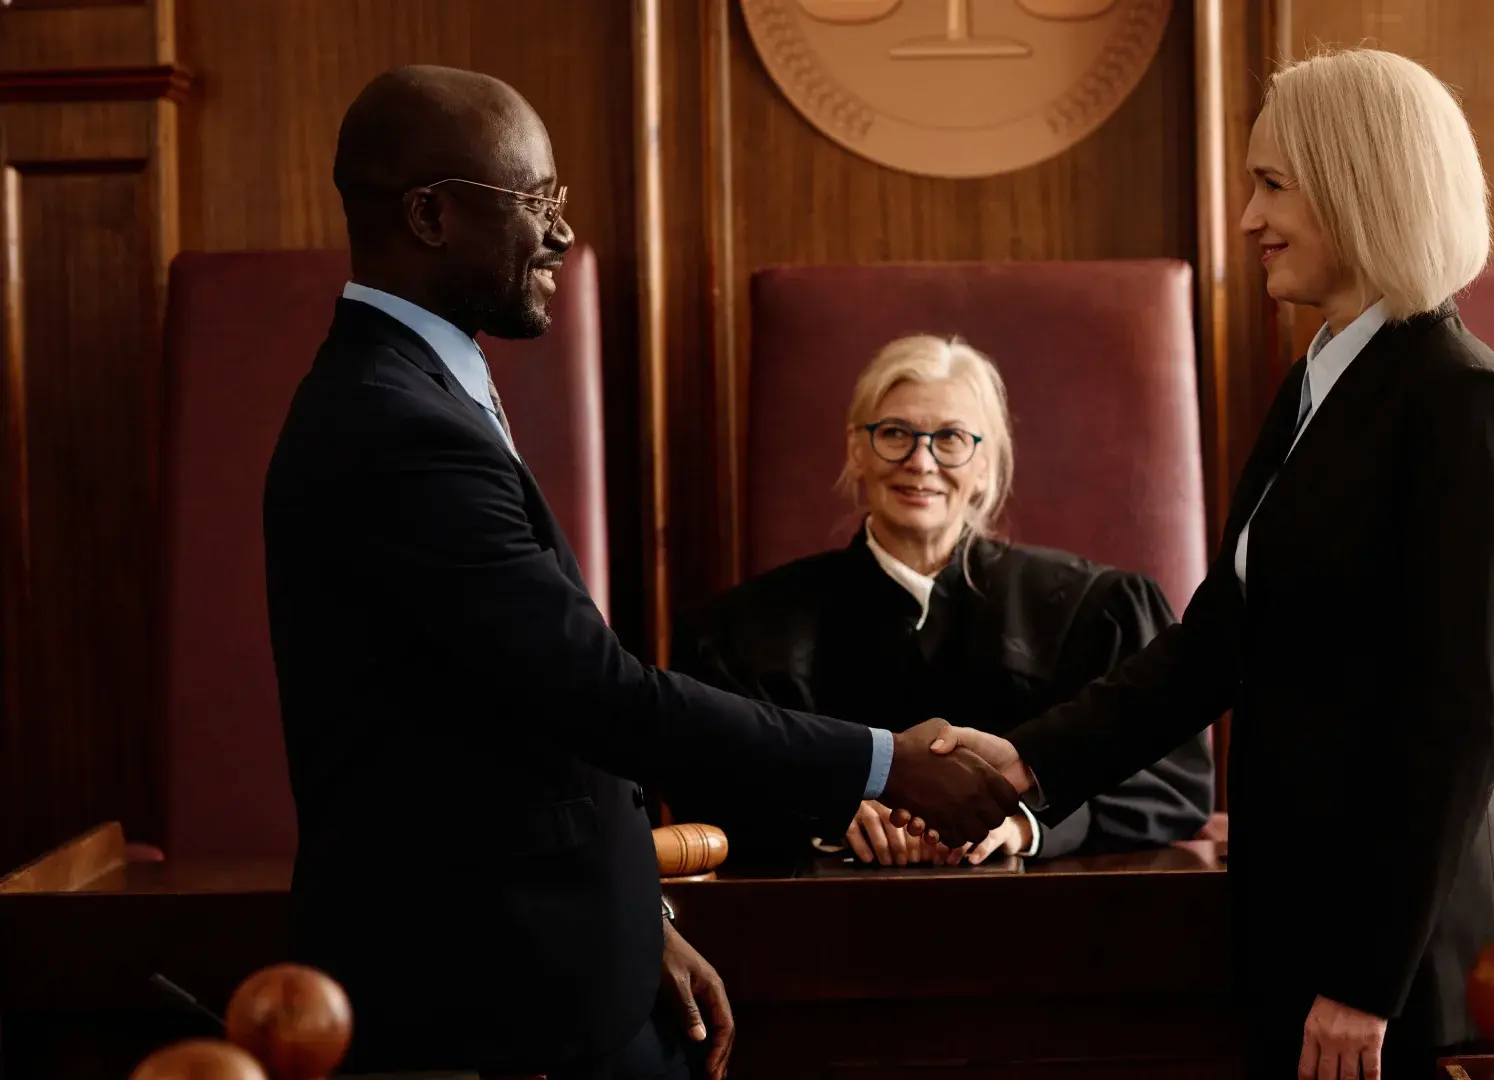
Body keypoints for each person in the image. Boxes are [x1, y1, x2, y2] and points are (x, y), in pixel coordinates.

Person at [262, 65, 1017, 1080]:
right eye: (537, 202)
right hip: (485, 999)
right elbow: (591, 694)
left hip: (566, 958)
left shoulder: (425, 387)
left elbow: (507, 721)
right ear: (432, 215)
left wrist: (634, 914)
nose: (564, 233)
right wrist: (886, 761)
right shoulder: (395, 427)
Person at [934, 47, 1494, 1079]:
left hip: (1392, 985)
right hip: (1291, 939)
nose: (1249, 219)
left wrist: (1364, 982)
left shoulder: (1462, 403)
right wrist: (1027, 760)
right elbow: (1220, 642)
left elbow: (1457, 724)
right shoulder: (1320, 380)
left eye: (1273, 185)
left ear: (1361, 189)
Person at [668, 335, 1214, 866]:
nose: (921, 462)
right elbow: (701, 777)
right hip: (822, 928)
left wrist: (1023, 824)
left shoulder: (1097, 610)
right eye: (894, 433)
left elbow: (1170, 786)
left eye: (950, 438)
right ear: (857, 449)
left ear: (985, 464)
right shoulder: (744, 632)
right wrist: (821, 807)